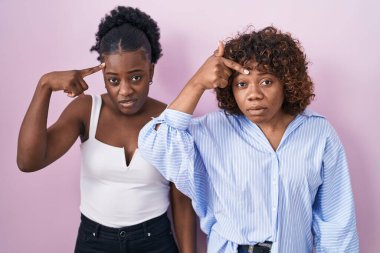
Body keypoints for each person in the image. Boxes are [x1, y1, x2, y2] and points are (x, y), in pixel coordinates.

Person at [138, 26, 359, 253]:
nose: (253, 94)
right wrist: (197, 83)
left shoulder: (319, 133)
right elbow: (154, 144)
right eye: (242, 84)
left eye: (266, 82)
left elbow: (337, 223)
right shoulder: (212, 129)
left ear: (287, 82)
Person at [17, 6, 196, 253]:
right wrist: (44, 85)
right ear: (102, 73)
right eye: (113, 80)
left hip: (155, 241)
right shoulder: (86, 110)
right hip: (94, 242)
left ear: (151, 70)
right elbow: (28, 161)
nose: (124, 91)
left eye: (136, 77)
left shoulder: (168, 119)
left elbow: (181, 199)